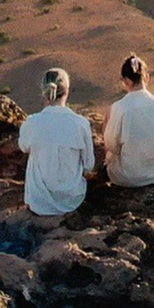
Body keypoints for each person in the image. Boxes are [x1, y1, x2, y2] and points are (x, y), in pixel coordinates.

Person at [18, 67, 96, 218]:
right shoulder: (80, 123)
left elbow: (24, 147)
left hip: (38, 202)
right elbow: (88, 165)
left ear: (43, 91)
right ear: (67, 90)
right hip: (72, 201)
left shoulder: (32, 122)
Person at [104, 54, 154, 188]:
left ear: (126, 81)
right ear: (147, 77)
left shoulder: (118, 108)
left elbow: (112, 146)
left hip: (127, 178)